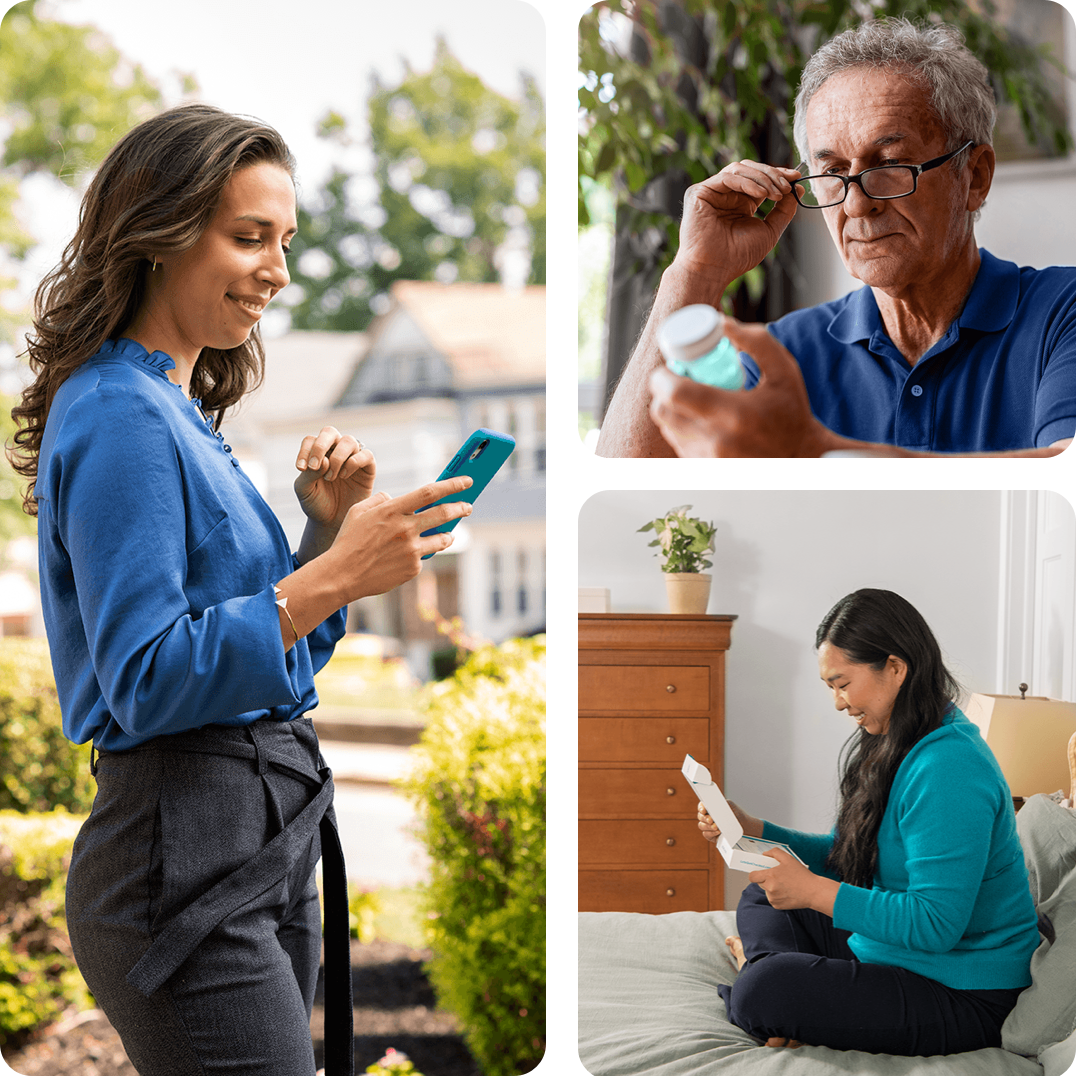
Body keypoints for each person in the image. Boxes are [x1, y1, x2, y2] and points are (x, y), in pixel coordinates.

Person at [7, 103, 473, 1076]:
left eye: (285, 240)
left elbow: (278, 662)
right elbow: (144, 676)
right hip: (177, 858)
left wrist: (324, 530)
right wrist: (337, 570)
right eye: (248, 236)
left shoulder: (177, 410)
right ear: (159, 234)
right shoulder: (118, 411)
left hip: (259, 841)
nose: (279, 269)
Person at [597, 17, 1075, 458]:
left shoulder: (1061, 312)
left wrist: (812, 451)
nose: (855, 204)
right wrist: (696, 272)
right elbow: (632, 497)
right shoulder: (784, 353)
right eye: (832, 171)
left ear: (974, 177)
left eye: (889, 164)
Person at [695, 589, 1039, 1054]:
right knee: (761, 891)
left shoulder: (950, 768)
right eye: (830, 687)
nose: (838, 702)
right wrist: (756, 829)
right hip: (893, 952)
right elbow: (849, 857)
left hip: (961, 989)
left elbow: (936, 924)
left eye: (842, 683)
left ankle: (762, 975)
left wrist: (813, 892)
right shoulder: (893, 742)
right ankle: (770, 973)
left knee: (765, 990)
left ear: (895, 669)